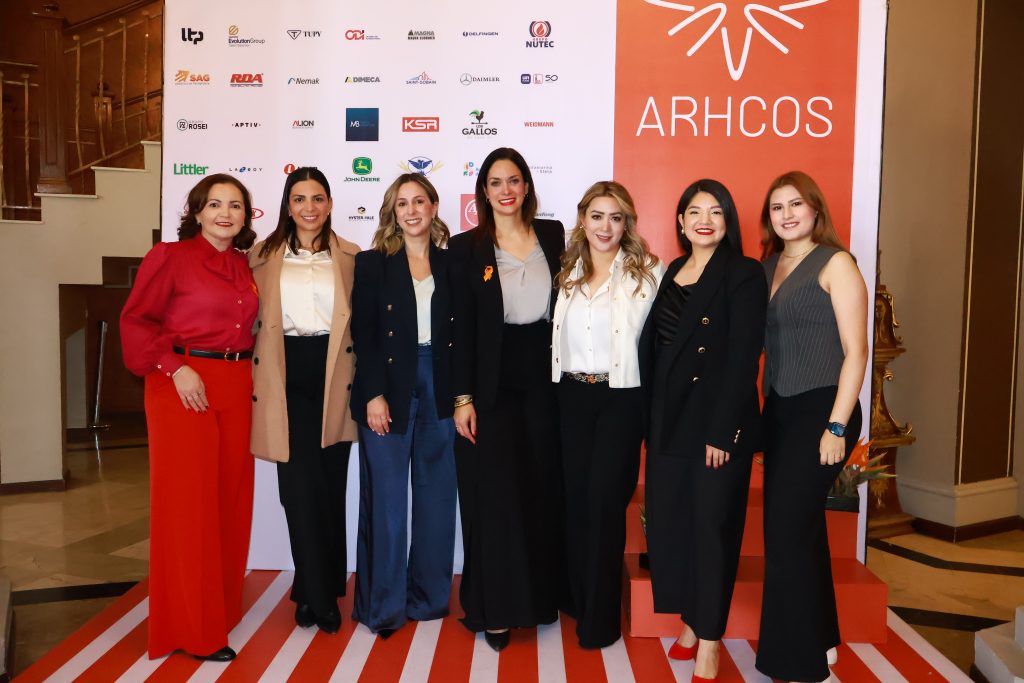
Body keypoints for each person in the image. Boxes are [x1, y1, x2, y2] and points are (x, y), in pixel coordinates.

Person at [121, 173, 258, 661]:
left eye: (235, 205)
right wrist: (173, 367)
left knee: (230, 500)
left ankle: (218, 611)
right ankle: (191, 630)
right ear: (196, 212)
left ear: (246, 216)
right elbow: (136, 321)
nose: (225, 213)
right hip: (183, 384)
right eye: (215, 204)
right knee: (189, 508)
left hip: (236, 385)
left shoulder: (244, 264)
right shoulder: (170, 257)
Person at [639, 179, 767, 682]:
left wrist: (723, 430)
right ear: (680, 221)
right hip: (669, 420)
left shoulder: (743, 272)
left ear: (728, 219)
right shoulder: (673, 270)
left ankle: (710, 640)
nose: (704, 220)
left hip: (715, 425)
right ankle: (692, 621)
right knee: (675, 526)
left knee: (713, 530)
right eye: (695, 211)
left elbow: (743, 357)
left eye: (715, 211)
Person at [449, 147, 566, 651]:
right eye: (495, 182)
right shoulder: (465, 247)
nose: (506, 191)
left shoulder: (554, 236)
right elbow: (458, 329)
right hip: (489, 387)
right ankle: (495, 609)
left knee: (538, 491)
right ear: (483, 191)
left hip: (544, 382)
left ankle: (537, 602)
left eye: (513, 180)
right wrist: (462, 397)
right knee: (494, 500)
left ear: (527, 186)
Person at [755, 171, 868, 683]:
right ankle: (821, 640)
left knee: (786, 533)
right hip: (781, 411)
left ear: (815, 209)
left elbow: (856, 352)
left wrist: (837, 427)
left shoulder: (836, 263)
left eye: (795, 204)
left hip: (825, 410)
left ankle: (798, 664)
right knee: (799, 530)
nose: (786, 215)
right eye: (777, 207)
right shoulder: (767, 266)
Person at [551, 180, 662, 649]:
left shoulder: (648, 272)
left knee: (604, 503)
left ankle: (600, 620)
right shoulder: (566, 269)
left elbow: (661, 344)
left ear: (627, 223)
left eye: (616, 218)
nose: (605, 227)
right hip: (571, 396)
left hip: (622, 400)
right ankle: (578, 599)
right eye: (597, 216)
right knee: (576, 503)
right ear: (583, 219)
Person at [249, 166, 360, 635]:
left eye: (317, 198)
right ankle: (318, 593)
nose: (309, 207)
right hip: (284, 376)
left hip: (337, 377)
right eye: (299, 199)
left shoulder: (352, 257)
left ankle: (319, 586)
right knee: (297, 492)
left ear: (330, 204)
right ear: (287, 206)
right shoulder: (260, 257)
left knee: (330, 488)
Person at [350, 173, 457, 639]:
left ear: (433, 206)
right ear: (392, 213)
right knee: (388, 502)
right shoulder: (373, 263)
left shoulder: (453, 263)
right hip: (387, 385)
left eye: (419, 201)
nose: (411, 211)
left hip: (441, 383)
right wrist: (373, 393)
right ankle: (384, 605)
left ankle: (429, 599)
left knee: (437, 498)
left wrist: (463, 396)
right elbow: (364, 333)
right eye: (402, 204)